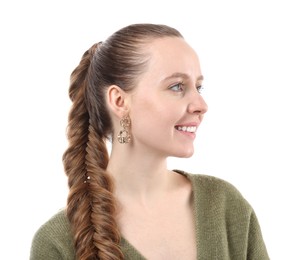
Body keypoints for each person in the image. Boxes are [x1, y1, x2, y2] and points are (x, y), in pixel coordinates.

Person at [30, 23, 269, 260]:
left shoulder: (225, 206)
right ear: (119, 101)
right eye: (177, 86)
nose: (201, 106)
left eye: (199, 87)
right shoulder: (58, 243)